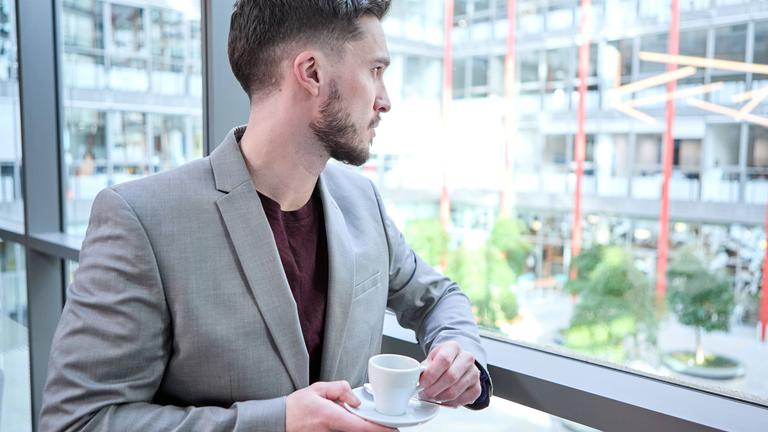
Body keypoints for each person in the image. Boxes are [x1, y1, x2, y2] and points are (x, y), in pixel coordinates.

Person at [40, 1, 492, 431]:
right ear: (311, 73)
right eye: (375, 71)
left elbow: (438, 297)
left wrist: (457, 351)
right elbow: (77, 421)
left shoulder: (362, 202)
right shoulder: (141, 220)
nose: (385, 100)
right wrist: (275, 423)